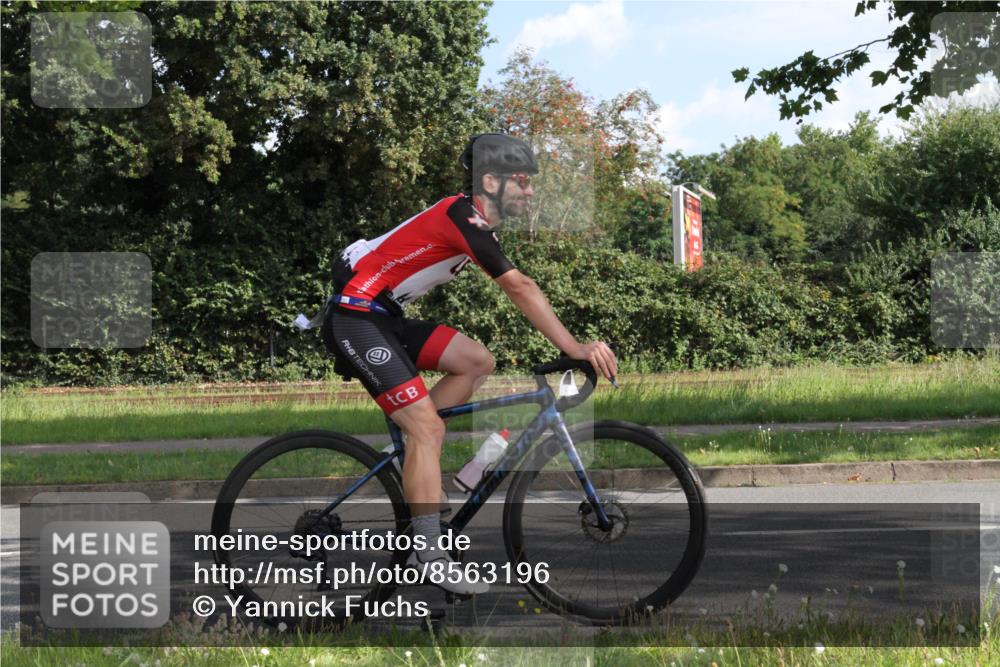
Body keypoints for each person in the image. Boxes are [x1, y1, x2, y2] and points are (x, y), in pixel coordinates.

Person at [321, 133, 618, 595]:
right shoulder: (462, 215)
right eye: (522, 181)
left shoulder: (475, 221)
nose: (531, 191)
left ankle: (406, 456)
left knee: (476, 361)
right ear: (490, 181)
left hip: (383, 317)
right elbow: (520, 287)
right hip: (355, 318)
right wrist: (576, 347)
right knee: (428, 429)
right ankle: (430, 555)